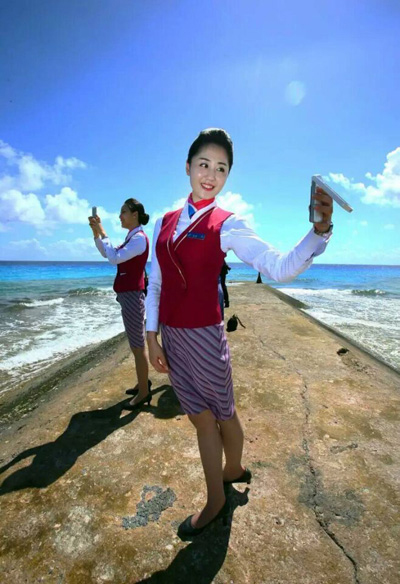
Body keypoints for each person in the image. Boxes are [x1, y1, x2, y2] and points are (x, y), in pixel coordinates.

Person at [145, 128, 333, 537]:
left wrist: (318, 232)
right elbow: (155, 284)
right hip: (174, 340)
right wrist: (150, 336)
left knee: (224, 412)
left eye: (221, 168)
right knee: (201, 418)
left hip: (208, 337)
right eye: (204, 165)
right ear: (188, 167)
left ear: (228, 176)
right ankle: (223, 485)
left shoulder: (228, 225)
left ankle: (229, 476)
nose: (211, 175)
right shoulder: (163, 222)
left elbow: (278, 266)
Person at [89, 198, 152, 410]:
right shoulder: (132, 237)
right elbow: (109, 253)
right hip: (128, 295)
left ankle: (144, 392)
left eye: (123, 211)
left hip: (133, 295)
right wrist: (96, 233)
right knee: (136, 345)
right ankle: (143, 383)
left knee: (137, 345)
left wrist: (103, 231)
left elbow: (114, 258)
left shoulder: (139, 239)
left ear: (135, 214)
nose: (120, 216)